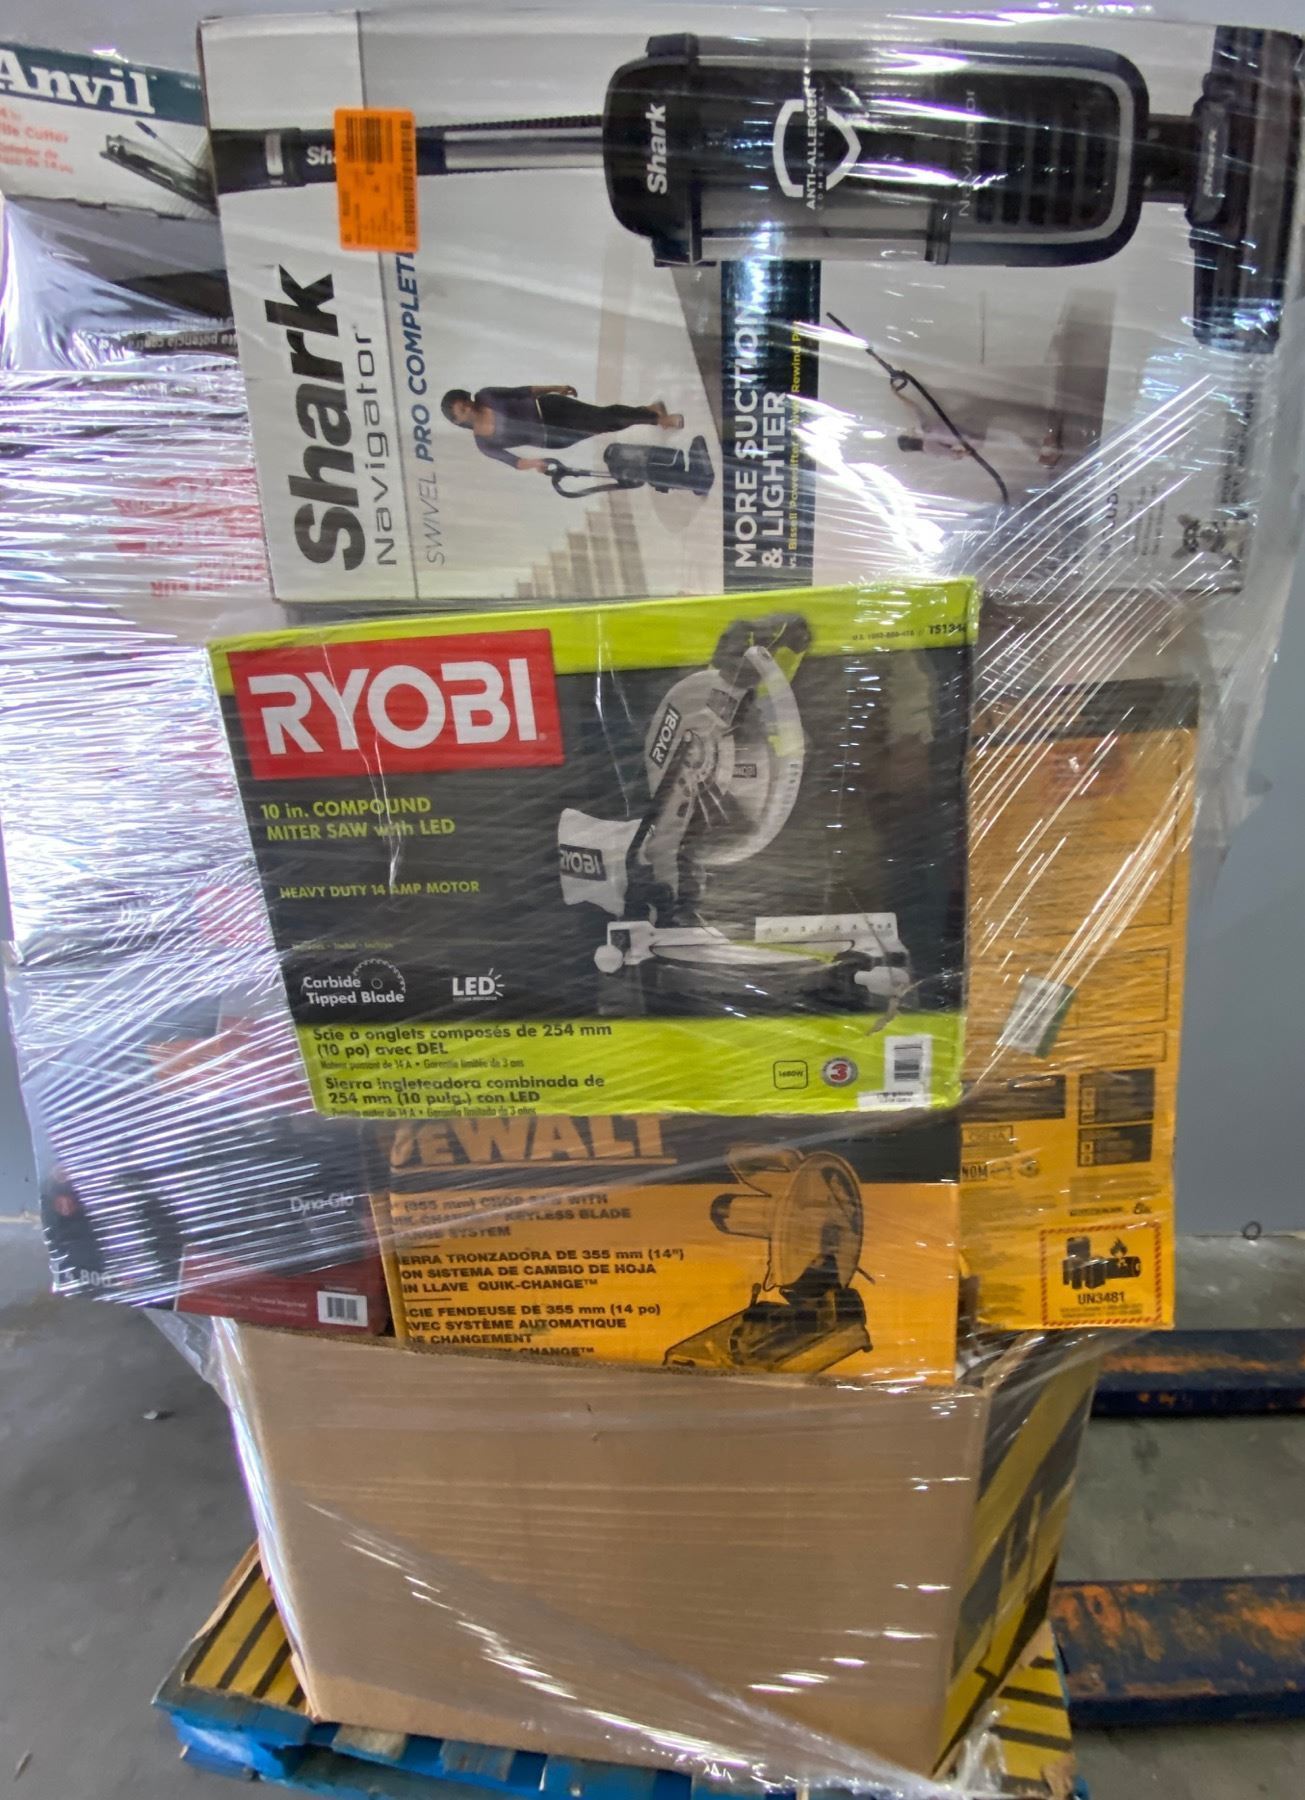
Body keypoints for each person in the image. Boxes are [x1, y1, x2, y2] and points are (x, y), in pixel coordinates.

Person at [441, 384, 683, 473]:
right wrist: (536, 464)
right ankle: (646, 410)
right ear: (458, 421)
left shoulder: (486, 395)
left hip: (550, 408)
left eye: (465, 402)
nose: (468, 408)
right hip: (552, 437)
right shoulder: (484, 443)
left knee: (601, 417)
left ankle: (658, 419)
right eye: (462, 411)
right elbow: (514, 462)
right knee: (603, 425)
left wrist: (555, 388)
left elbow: (523, 391)